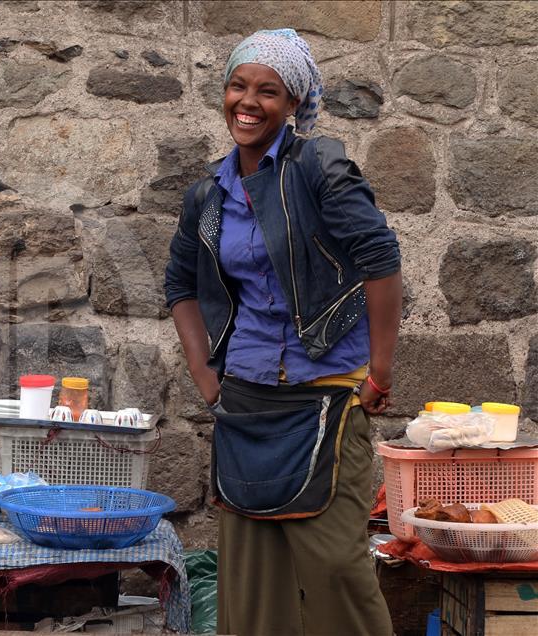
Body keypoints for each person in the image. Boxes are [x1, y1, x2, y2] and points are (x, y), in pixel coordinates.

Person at [164, 29, 401, 636]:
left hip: (326, 397)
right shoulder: (208, 195)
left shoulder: (319, 167)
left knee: (336, 571)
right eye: (238, 86)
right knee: (254, 583)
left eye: (267, 91)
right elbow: (180, 287)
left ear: (293, 102)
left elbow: (379, 255)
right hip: (245, 404)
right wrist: (206, 379)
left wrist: (380, 371)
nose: (248, 102)